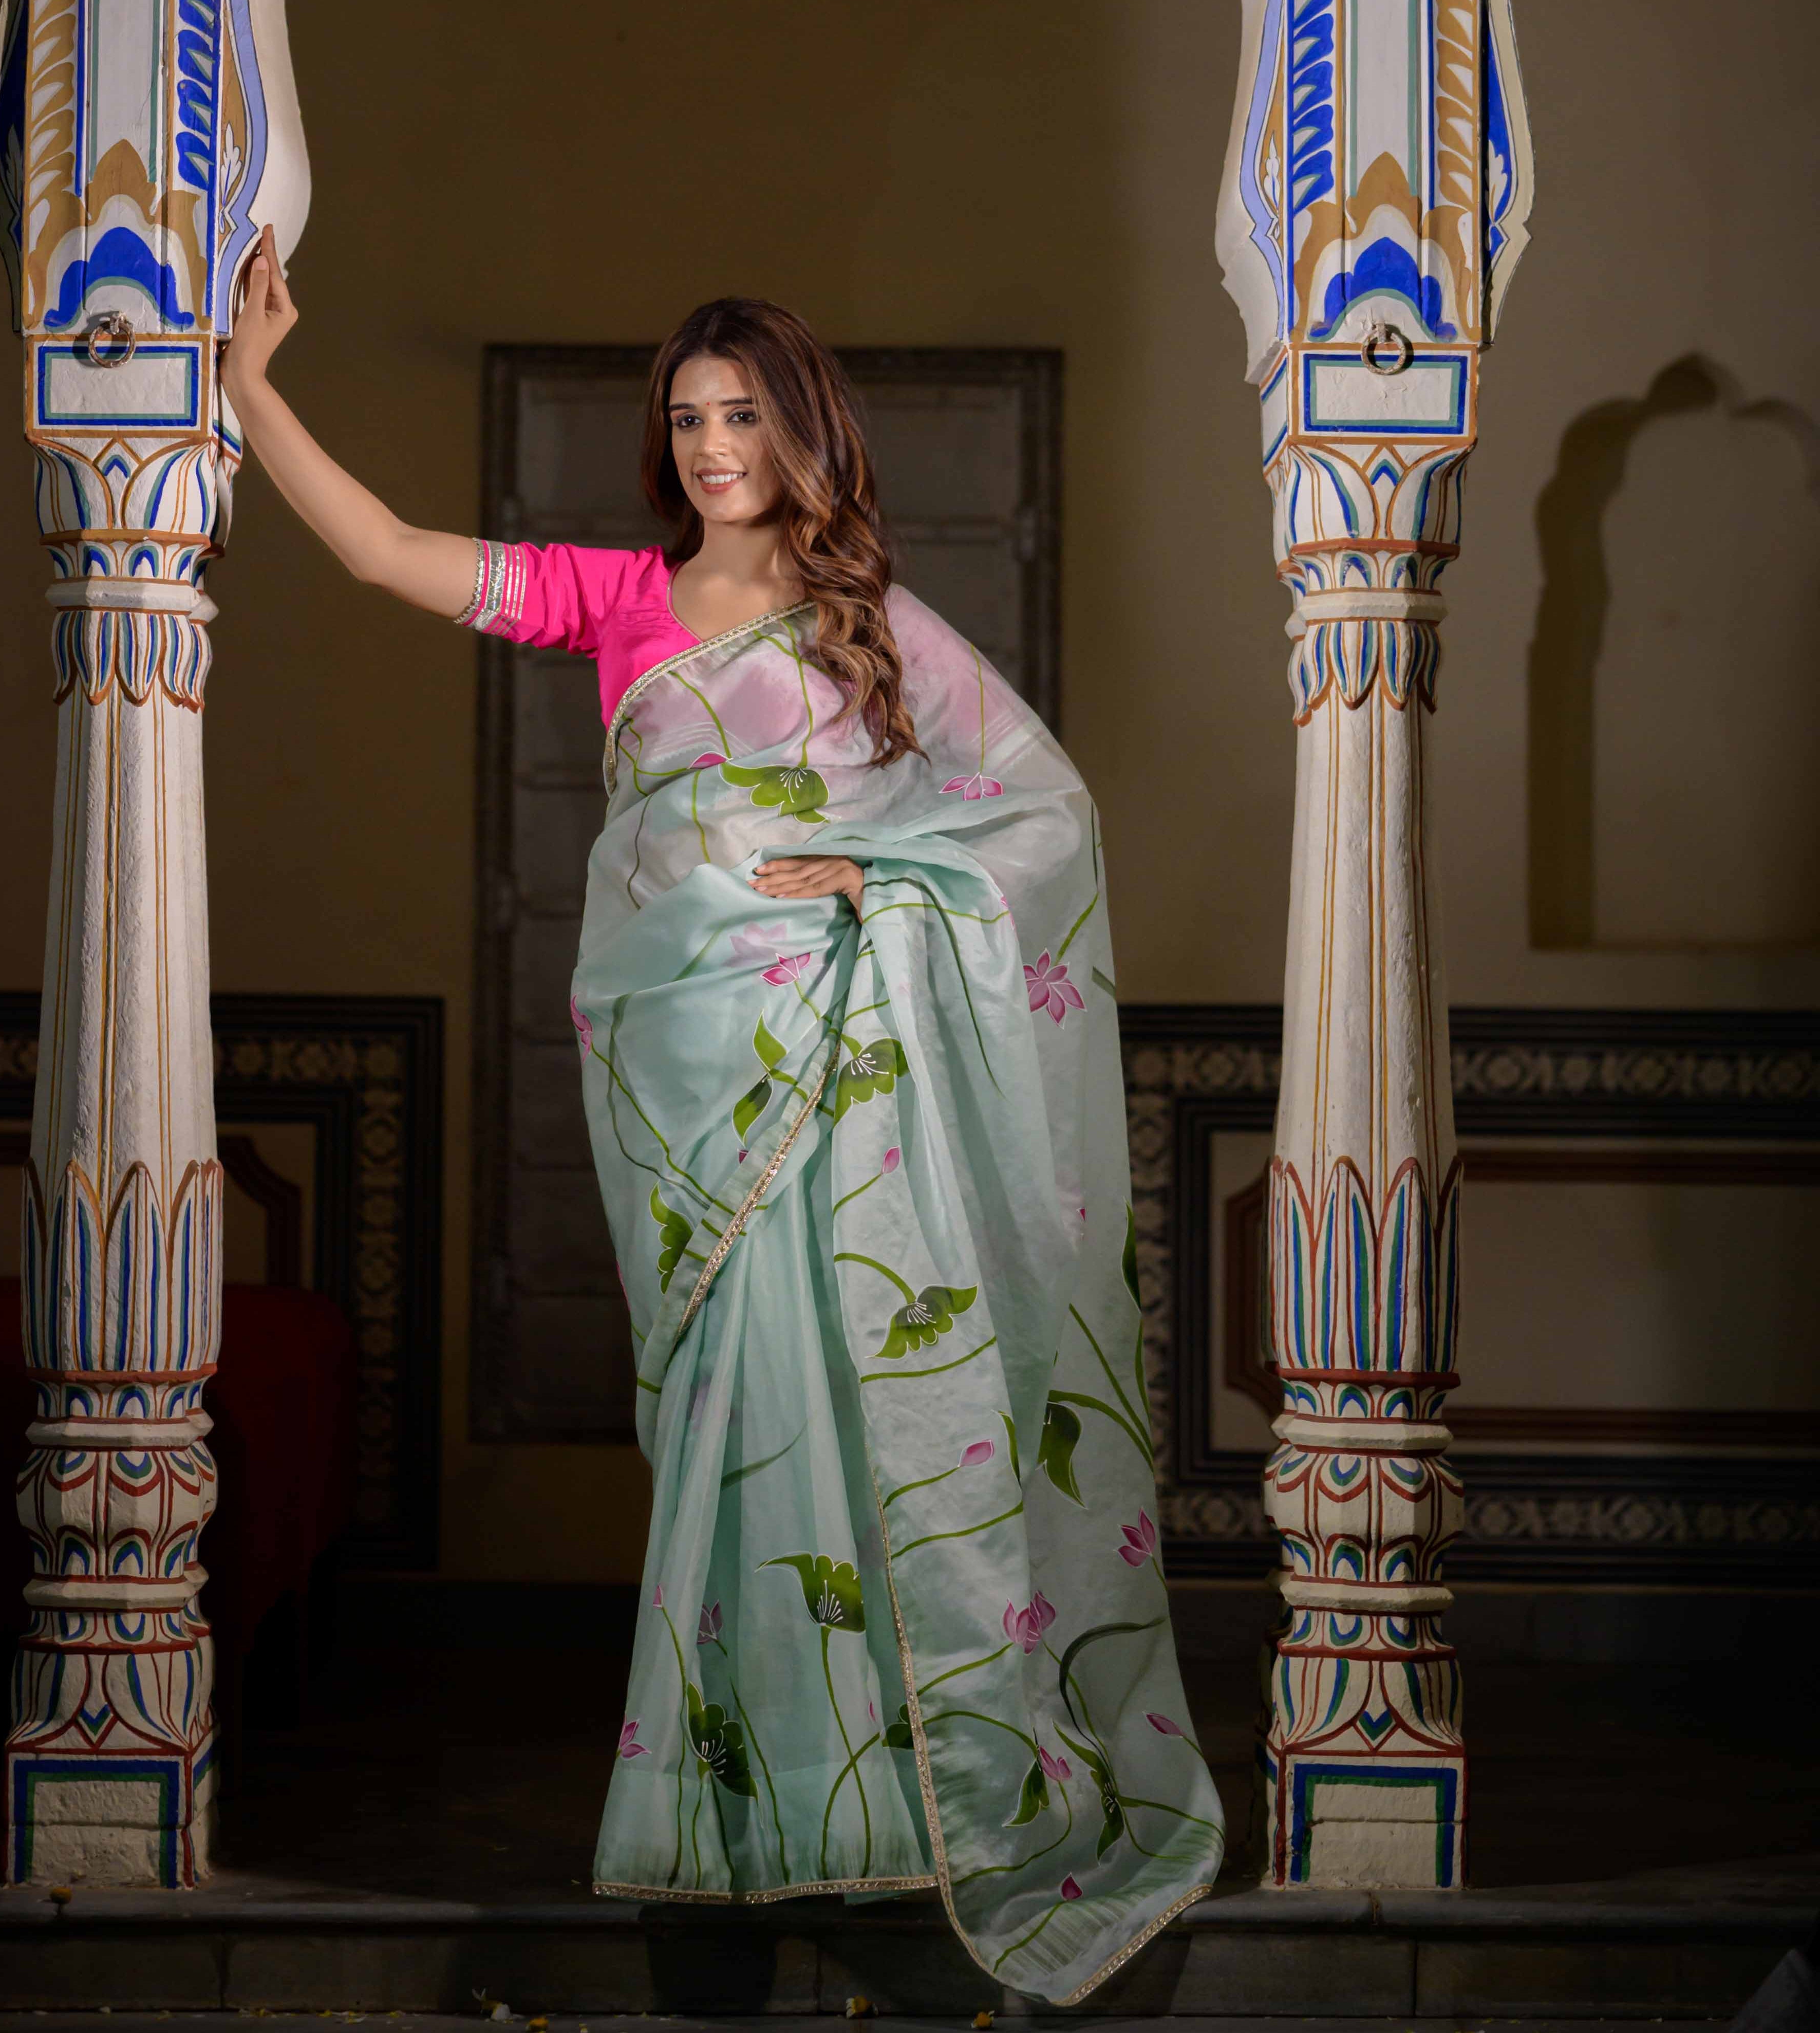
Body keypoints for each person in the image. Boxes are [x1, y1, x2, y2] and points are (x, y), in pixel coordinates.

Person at [222, 249, 1225, 2001]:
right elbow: (386, 552)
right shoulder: (618, 601)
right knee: (729, 1444)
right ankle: (742, 1823)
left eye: (739, 412)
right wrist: (243, 386)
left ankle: (904, 1807)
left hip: (852, 1103)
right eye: (684, 419)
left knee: (864, 1416)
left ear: (801, 426)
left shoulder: (878, 628)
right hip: (690, 1104)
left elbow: (1042, 824)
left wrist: (889, 870)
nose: (707, 445)